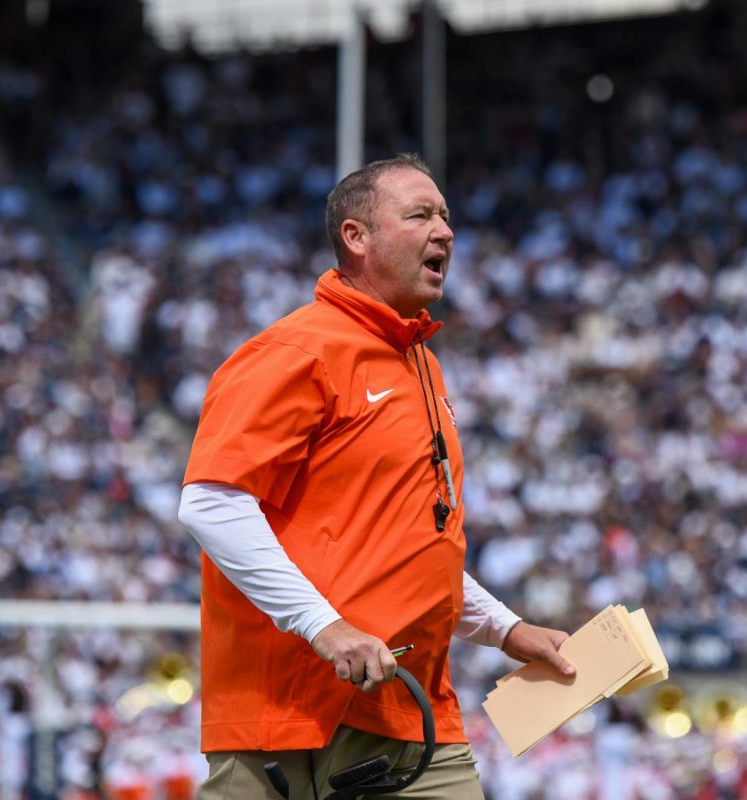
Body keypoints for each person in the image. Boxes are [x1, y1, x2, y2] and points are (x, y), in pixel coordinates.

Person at [177, 153, 575, 799]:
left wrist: (506, 629)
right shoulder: (294, 351)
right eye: (420, 215)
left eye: (445, 215)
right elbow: (212, 503)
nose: (444, 230)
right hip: (299, 714)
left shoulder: (422, 365)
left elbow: (414, 544)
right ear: (356, 238)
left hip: (410, 706)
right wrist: (325, 627)